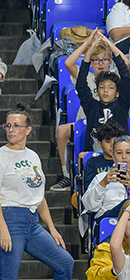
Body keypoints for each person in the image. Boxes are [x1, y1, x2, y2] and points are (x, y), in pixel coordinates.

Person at [0, 105, 75, 280]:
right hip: (10, 219)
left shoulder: (33, 156)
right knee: (8, 276)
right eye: (8, 126)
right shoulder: (2, 155)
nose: (11, 130)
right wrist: (3, 229)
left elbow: (38, 196)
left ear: (28, 130)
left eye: (16, 126)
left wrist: (51, 227)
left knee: (65, 263)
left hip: (33, 223)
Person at [81, 135, 130, 219]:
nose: (124, 157)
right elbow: (89, 206)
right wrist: (102, 185)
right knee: (127, 204)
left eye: (128, 153)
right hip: (110, 222)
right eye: (119, 153)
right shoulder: (101, 178)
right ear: (113, 157)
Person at [76, 32, 130, 152]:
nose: (106, 91)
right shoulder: (91, 106)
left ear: (117, 92)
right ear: (97, 90)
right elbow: (81, 84)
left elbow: (126, 76)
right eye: (102, 87)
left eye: (111, 88)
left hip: (120, 157)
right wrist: (89, 53)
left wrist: (112, 47)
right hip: (95, 158)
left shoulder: (122, 105)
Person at [85, 200, 130, 280]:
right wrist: (114, 270)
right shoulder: (106, 247)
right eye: (128, 219)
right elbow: (94, 276)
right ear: (121, 222)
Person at [82, 121, 128, 194]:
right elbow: (88, 188)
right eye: (108, 141)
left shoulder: (124, 160)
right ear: (100, 144)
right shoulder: (92, 163)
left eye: (116, 141)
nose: (112, 145)